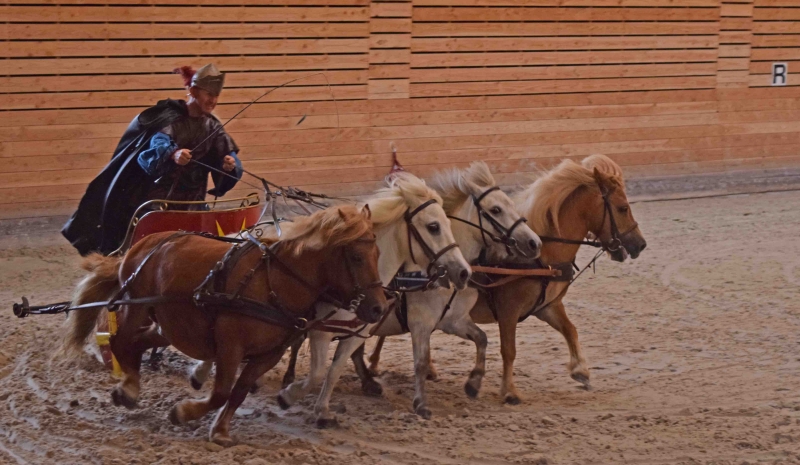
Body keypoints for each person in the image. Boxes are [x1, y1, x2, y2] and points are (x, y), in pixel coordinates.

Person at [62, 64, 244, 256]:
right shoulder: (169, 119)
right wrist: (173, 154)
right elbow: (156, 145)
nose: (213, 101)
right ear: (193, 91)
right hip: (158, 201)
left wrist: (228, 166)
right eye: (209, 94)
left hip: (193, 203)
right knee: (141, 253)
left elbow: (228, 155)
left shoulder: (213, 127)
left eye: (216, 96)